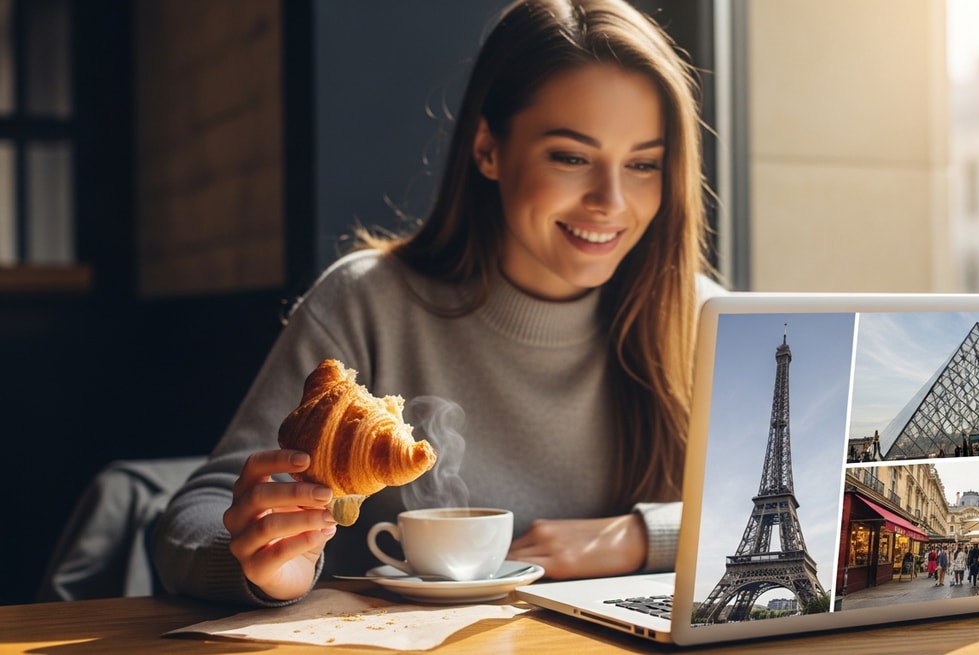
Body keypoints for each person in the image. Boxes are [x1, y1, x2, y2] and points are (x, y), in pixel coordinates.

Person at [152, 0, 723, 607]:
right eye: (571, 157)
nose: (610, 200)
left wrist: (641, 536)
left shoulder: (700, 318)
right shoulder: (368, 301)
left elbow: (810, 514)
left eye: (643, 164)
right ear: (488, 149)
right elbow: (193, 518)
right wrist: (261, 564)